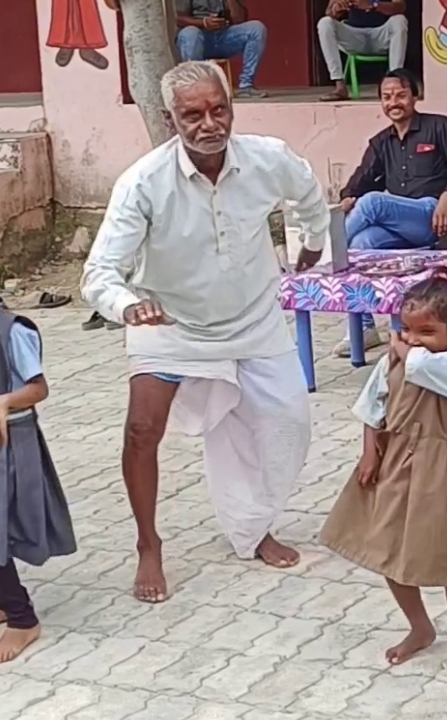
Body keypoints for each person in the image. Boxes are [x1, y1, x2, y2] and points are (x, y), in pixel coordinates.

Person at [81, 61, 331, 604]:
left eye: (218, 109)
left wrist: (312, 243)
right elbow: (99, 272)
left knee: (288, 422)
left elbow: (309, 191)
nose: (209, 123)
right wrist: (127, 307)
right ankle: (149, 543)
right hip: (169, 322)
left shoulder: (267, 158)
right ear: (172, 120)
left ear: (232, 106)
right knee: (142, 430)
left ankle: (254, 526)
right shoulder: (143, 182)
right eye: (193, 115)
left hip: (254, 317)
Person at [320, 268, 447, 676]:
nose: (412, 339)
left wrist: (406, 351)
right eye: (406, 330)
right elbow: (373, 404)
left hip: (436, 473)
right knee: (388, 552)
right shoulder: (398, 358)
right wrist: (368, 452)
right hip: (393, 464)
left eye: (426, 331)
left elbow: (428, 370)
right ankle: (420, 627)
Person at [336, 69, 447, 358]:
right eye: (386, 97)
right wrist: (345, 200)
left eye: (400, 95)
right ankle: (366, 326)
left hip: (433, 216)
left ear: (415, 96)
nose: (394, 102)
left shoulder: (442, 127)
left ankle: (323, 254)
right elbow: (361, 179)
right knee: (361, 243)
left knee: (371, 203)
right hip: (400, 228)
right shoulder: (381, 142)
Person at [0, 308, 76, 663]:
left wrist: (4, 402)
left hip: (12, 443)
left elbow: (37, 388)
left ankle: (22, 619)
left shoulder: (12, 331)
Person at [317, 0, 409, 101]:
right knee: (325, 23)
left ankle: (395, 80)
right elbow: (329, 12)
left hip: (381, 34)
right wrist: (336, 9)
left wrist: (373, 5)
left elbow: (401, 6)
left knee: (400, 20)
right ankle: (339, 85)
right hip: (354, 37)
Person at [174, 0, 268, 99]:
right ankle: (195, 88)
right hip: (197, 39)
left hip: (223, 37)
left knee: (257, 28)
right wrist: (204, 22)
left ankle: (246, 86)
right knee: (190, 33)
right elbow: (178, 18)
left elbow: (239, 19)